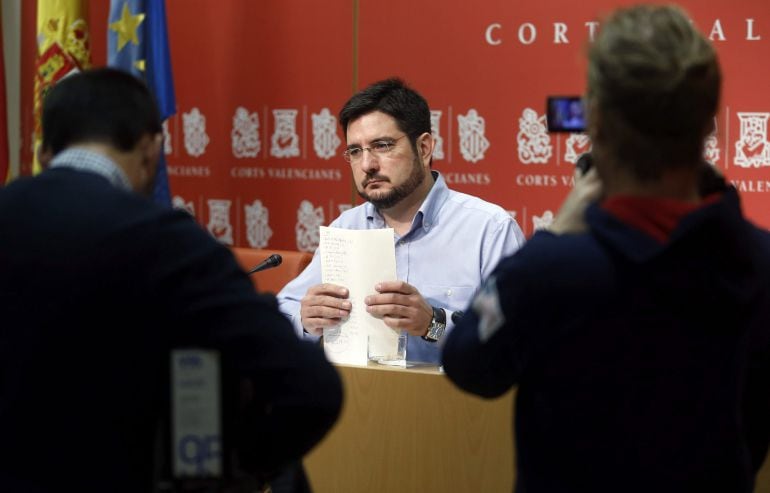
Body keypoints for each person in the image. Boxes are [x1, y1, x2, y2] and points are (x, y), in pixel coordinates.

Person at [443, 5, 770, 492]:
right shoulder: (759, 261)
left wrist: (554, 233)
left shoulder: (549, 268)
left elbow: (468, 364)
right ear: (709, 123)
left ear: (594, 120)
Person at [0, 68, 342, 493]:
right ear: (150, 151)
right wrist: (239, 466)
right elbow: (312, 390)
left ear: (45, 152)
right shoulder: (171, 243)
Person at [277, 78, 525, 364]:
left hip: (456, 404)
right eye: (355, 151)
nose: (367, 165)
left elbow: (520, 336)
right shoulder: (347, 228)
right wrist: (306, 320)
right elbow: (283, 312)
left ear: (424, 148)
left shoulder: (488, 229)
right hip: (362, 400)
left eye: (382, 146)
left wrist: (434, 323)